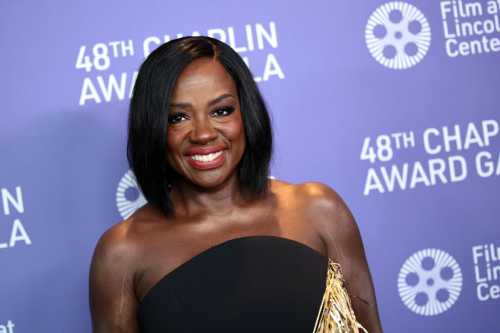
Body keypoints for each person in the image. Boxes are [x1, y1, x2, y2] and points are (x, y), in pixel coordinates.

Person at [89, 36, 383, 333]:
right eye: (177, 117)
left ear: (247, 113)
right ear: (153, 128)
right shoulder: (122, 253)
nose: (203, 133)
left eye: (221, 111)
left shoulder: (318, 210)